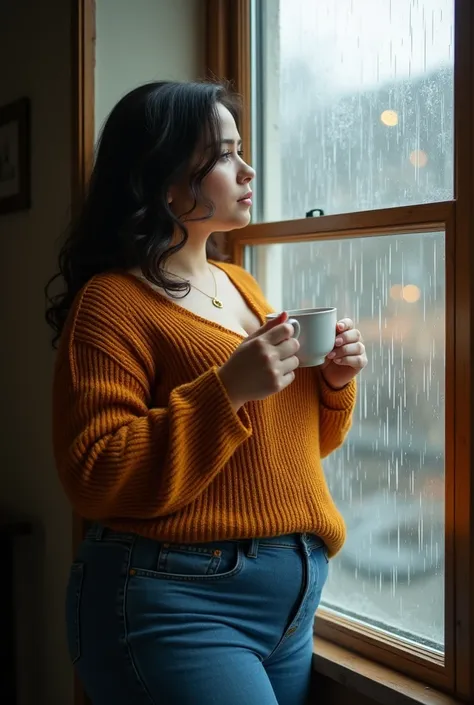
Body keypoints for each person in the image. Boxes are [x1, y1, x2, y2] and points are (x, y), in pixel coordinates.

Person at [46, 80, 367, 705]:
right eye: (222, 156)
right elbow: (94, 472)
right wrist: (225, 391)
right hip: (175, 603)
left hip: (290, 608)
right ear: (161, 176)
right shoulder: (111, 302)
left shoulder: (240, 283)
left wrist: (331, 387)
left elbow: (279, 454)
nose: (246, 169)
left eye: (240, 149)